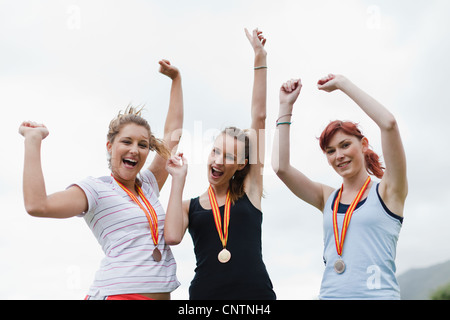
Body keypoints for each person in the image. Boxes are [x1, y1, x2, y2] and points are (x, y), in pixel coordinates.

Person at [19, 60, 184, 300]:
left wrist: (176, 80)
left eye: (143, 145)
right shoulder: (96, 190)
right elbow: (37, 205)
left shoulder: (148, 185)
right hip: (118, 295)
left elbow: (172, 136)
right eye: (126, 142)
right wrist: (33, 141)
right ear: (110, 146)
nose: (135, 150)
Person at [272, 74, 408, 299]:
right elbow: (280, 168)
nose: (339, 155)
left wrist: (343, 84)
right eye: (331, 151)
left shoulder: (388, 191)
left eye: (345, 145)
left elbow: (389, 124)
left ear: (363, 144)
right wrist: (285, 106)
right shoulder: (327, 198)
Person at [163, 28, 276, 300]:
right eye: (215, 151)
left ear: (241, 165)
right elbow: (172, 237)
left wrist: (259, 58)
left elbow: (259, 117)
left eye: (227, 156)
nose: (217, 160)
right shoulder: (188, 206)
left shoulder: (250, 192)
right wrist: (177, 181)